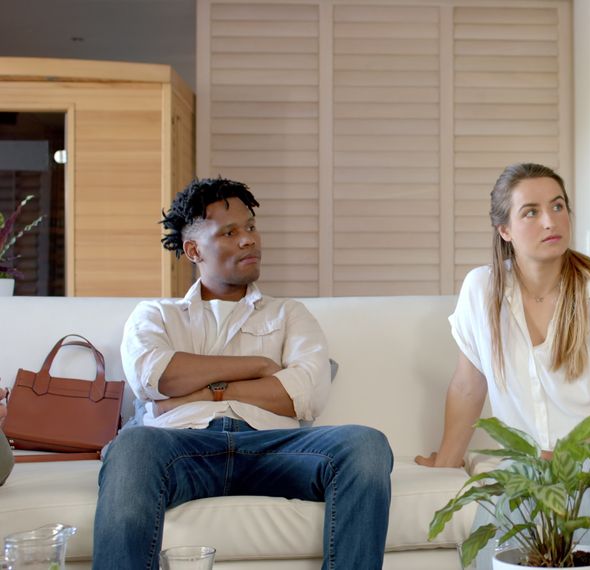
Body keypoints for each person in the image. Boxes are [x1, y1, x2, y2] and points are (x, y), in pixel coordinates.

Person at [93, 178, 393, 570]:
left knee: (366, 445)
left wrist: (201, 392)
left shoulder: (290, 314)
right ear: (193, 249)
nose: (248, 240)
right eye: (230, 232)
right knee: (132, 449)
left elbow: (307, 394)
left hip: (276, 447)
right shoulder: (156, 315)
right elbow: (157, 377)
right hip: (181, 449)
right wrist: (258, 367)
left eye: (250, 227)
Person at [415, 163, 590, 566]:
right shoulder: (481, 290)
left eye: (558, 206)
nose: (550, 220)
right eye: (531, 212)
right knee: (509, 498)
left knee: (583, 485)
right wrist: (446, 462)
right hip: (538, 459)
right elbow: (468, 386)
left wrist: (562, 456)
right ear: (505, 230)